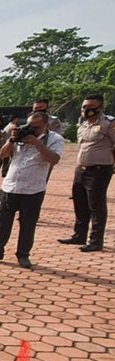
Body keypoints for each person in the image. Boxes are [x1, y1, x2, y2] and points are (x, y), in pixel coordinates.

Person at [0, 111, 63, 269]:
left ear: (46, 126)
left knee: (27, 225)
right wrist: (12, 140)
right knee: (2, 223)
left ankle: (23, 255)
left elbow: (54, 159)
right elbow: (2, 155)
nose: (32, 130)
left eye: (36, 128)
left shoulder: (55, 139)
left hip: (33, 189)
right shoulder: (18, 137)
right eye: (30, 126)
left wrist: (36, 142)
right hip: (11, 187)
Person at [58, 95, 115, 253]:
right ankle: (79, 235)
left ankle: (96, 241)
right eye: (84, 107)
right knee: (80, 202)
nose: (86, 110)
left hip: (99, 170)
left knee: (96, 205)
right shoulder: (82, 124)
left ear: (100, 108)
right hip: (81, 169)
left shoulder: (108, 123)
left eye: (90, 107)